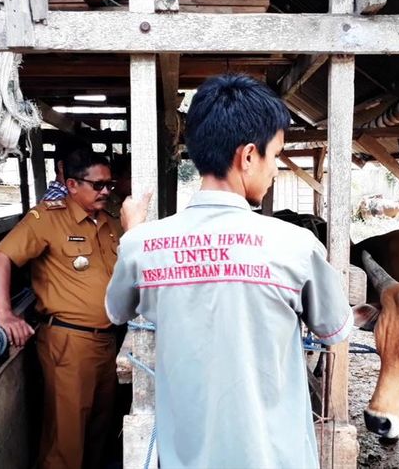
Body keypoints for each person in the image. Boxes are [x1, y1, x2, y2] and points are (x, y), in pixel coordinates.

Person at [105, 74, 353, 468]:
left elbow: (118, 312)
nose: (274, 170)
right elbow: (336, 330)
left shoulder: (141, 245)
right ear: (249, 156)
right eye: (275, 155)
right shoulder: (297, 247)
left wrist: (133, 234)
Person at [0, 148, 122, 469]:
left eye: (109, 185)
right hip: (68, 342)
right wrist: (4, 313)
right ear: (73, 185)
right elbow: (0, 258)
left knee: (100, 428)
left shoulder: (109, 223)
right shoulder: (48, 218)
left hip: (108, 341)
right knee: (66, 438)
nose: (106, 192)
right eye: (98, 185)